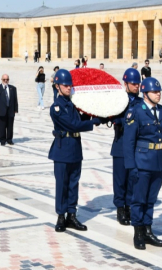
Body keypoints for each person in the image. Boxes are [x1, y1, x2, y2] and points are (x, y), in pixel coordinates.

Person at [49, 69, 102, 233]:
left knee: (73, 183)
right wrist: (94, 122)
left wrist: (95, 112)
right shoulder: (56, 107)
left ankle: (71, 215)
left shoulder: (74, 104)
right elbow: (73, 125)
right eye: (65, 85)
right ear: (58, 86)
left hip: (74, 149)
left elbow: (81, 119)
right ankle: (60, 216)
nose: (68, 87)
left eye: (70, 85)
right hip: (62, 149)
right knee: (62, 185)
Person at [123, 77, 162, 250]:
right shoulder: (136, 111)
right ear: (145, 93)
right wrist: (131, 167)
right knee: (138, 199)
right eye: (155, 92)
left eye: (159, 91)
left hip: (158, 163)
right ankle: (138, 232)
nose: (158, 94)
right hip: (141, 163)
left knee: (151, 199)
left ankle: (148, 230)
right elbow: (129, 143)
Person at [110, 68, 143, 226]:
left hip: (136, 147)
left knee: (132, 179)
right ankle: (120, 208)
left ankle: (129, 206)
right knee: (120, 179)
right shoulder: (119, 100)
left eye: (138, 83)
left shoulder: (141, 103)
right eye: (133, 83)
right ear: (125, 83)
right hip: (121, 144)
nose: (136, 86)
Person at [0, 74, 18, 146]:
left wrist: (15, 109)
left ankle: (9, 139)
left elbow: (15, 99)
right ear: (1, 79)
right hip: (1, 111)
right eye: (4, 79)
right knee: (1, 126)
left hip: (10, 110)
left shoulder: (13, 88)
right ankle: (2, 140)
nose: (6, 81)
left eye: (7, 79)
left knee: (10, 126)